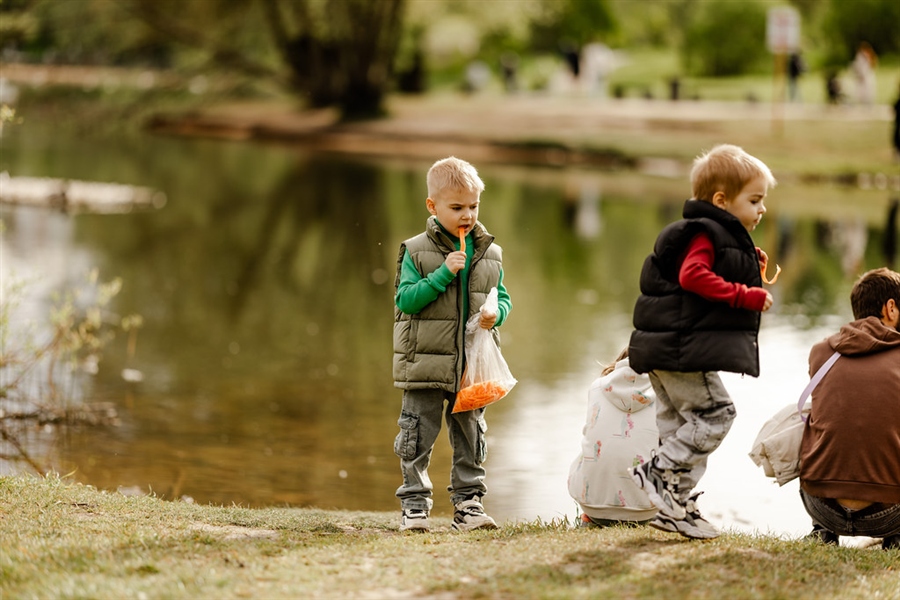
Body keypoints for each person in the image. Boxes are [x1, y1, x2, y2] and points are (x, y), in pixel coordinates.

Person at [627, 144, 777, 539]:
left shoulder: (710, 234)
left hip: (668, 349)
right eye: (755, 200)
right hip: (681, 352)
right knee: (717, 415)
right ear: (721, 201)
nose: (762, 209)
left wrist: (745, 266)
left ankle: (673, 506)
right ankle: (657, 473)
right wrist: (746, 295)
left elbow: (703, 272)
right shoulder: (705, 234)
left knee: (681, 428)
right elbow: (693, 276)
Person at [392, 156, 512, 532]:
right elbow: (406, 300)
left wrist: (498, 314)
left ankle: (469, 504)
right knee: (417, 436)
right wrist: (444, 273)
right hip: (424, 363)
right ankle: (414, 505)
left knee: (471, 434)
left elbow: (502, 298)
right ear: (433, 206)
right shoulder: (416, 251)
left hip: (470, 368)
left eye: (473, 206)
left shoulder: (490, 253)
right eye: (457, 207)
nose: (467, 215)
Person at [799, 267, 900, 550]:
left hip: (821, 507)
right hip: (889, 515)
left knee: (814, 416)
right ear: (890, 308)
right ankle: (897, 537)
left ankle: (822, 532)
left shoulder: (821, 351)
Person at [568, 348, 659, 528]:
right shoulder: (668, 392)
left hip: (593, 505)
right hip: (649, 508)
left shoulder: (597, 387)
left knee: (592, 448)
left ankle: (592, 518)